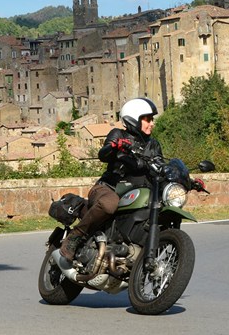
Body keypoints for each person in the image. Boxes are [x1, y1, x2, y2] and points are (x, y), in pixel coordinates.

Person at [60, 97, 163, 260]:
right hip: (108, 187)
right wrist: (115, 145)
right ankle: (75, 236)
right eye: (147, 119)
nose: (152, 123)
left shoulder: (154, 145)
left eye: (152, 119)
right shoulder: (119, 134)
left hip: (137, 192)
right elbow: (103, 155)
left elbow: (161, 166)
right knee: (110, 204)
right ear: (134, 118)